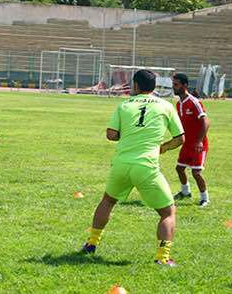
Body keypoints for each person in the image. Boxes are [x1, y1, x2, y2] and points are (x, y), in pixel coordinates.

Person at [82, 70, 184, 266]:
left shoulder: (124, 105)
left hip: (121, 164)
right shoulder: (166, 106)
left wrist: (127, 136)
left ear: (136, 86)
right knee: (167, 212)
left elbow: (111, 134)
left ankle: (91, 244)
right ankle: (163, 258)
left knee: (108, 201)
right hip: (146, 166)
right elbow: (180, 138)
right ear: (154, 87)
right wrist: (163, 147)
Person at [172, 73, 211, 207]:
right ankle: (185, 192)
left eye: (176, 85)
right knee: (179, 168)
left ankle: (205, 198)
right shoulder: (179, 104)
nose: (173, 87)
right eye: (173, 84)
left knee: (196, 172)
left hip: (198, 145)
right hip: (187, 144)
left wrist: (200, 141)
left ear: (185, 85)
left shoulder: (194, 102)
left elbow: (206, 121)